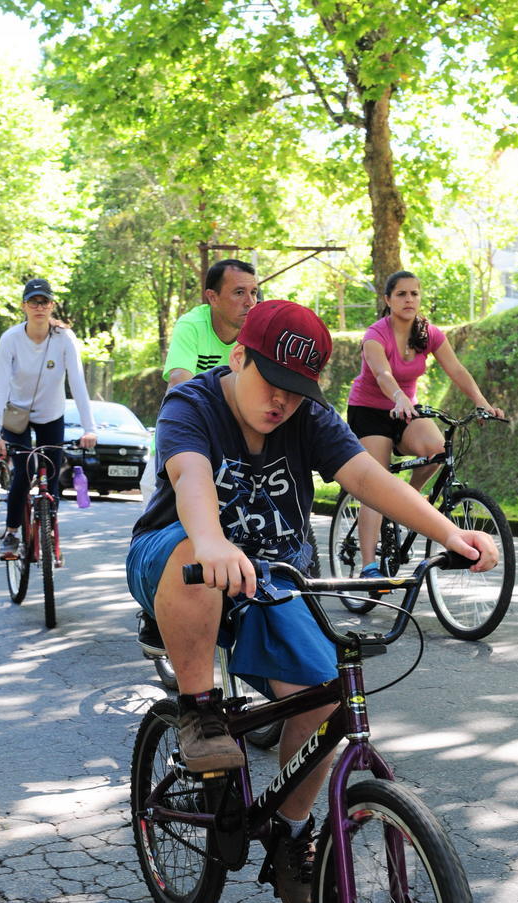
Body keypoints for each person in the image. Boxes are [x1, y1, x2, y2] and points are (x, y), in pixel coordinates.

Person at [126, 299, 498, 903]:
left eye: (297, 391)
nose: (282, 401)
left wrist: (450, 534)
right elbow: (191, 478)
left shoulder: (310, 418)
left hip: (273, 578)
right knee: (191, 555)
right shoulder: (192, 404)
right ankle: (199, 711)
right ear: (239, 358)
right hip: (181, 561)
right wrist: (213, 541)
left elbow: (368, 478)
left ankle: (291, 833)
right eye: (271, 382)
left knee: (325, 699)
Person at [347, 269, 505, 593]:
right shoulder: (376, 334)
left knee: (437, 451)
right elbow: (382, 374)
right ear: (388, 299)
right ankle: (369, 568)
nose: (409, 299)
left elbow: (456, 369)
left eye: (414, 293)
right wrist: (398, 396)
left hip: (406, 409)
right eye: (401, 294)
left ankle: (406, 500)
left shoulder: (428, 333)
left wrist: (482, 402)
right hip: (370, 411)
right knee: (375, 482)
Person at [137, 258, 258, 651]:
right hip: (186, 440)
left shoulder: (255, 330)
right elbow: (179, 380)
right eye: (239, 292)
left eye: (254, 292)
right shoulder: (192, 325)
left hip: (235, 445)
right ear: (212, 297)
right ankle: (154, 608)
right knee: (174, 530)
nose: (250, 301)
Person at [0, 278, 97, 560]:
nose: (39, 307)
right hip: (17, 415)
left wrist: (89, 428)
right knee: (24, 472)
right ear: (24, 306)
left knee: (53, 472)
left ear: (52, 306)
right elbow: (0, 387)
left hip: (51, 414)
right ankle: (12, 533)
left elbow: (77, 383)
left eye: (44, 301)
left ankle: (48, 528)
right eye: (33, 301)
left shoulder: (64, 339)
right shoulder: (11, 338)